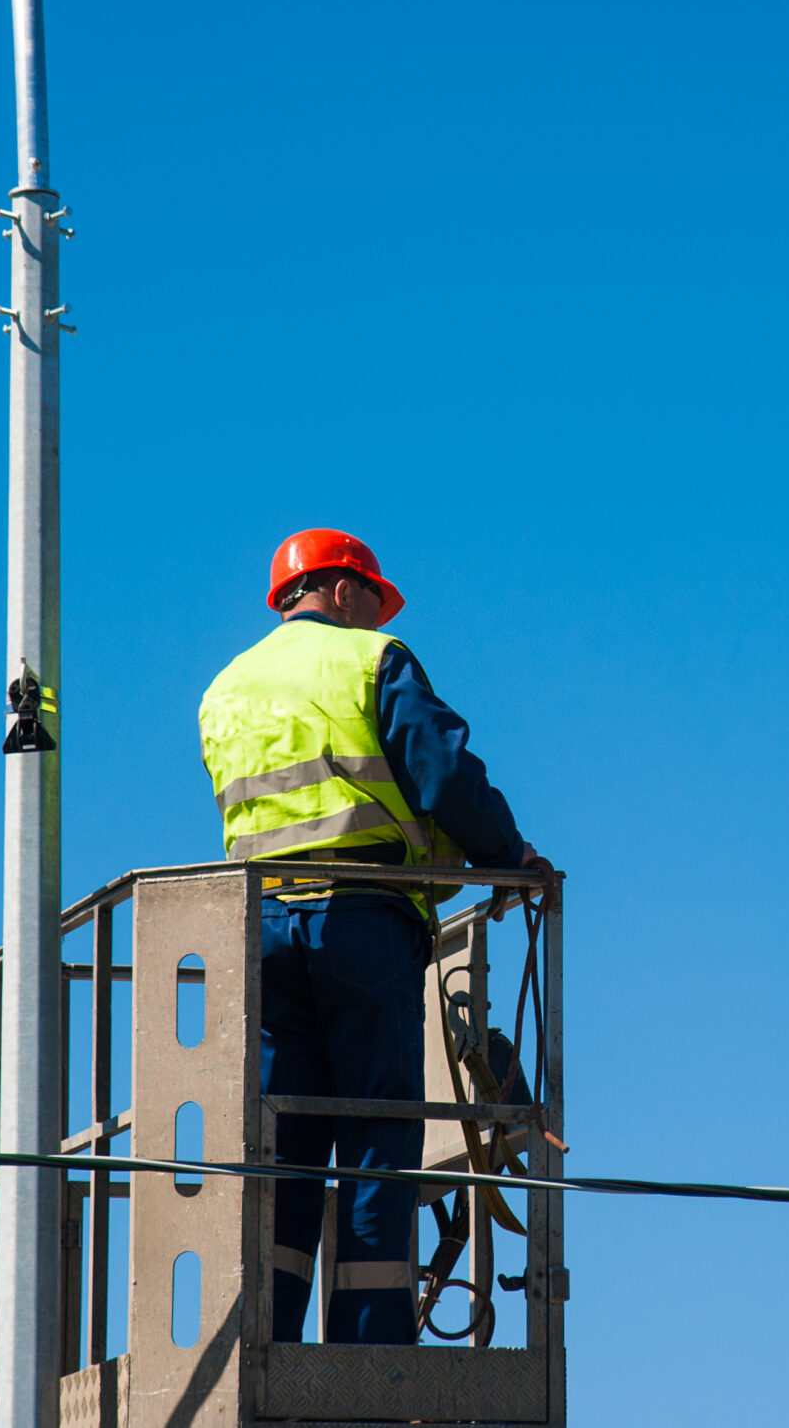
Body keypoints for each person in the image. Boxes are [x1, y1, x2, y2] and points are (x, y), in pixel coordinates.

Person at [197, 528, 536, 1345]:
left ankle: (268, 1342)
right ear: (343, 588)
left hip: (259, 929)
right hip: (362, 918)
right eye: (371, 601)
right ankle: (368, 1349)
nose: (375, 617)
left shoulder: (224, 689)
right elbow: (444, 773)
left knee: (283, 1141)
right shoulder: (371, 659)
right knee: (379, 1133)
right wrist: (509, 855)